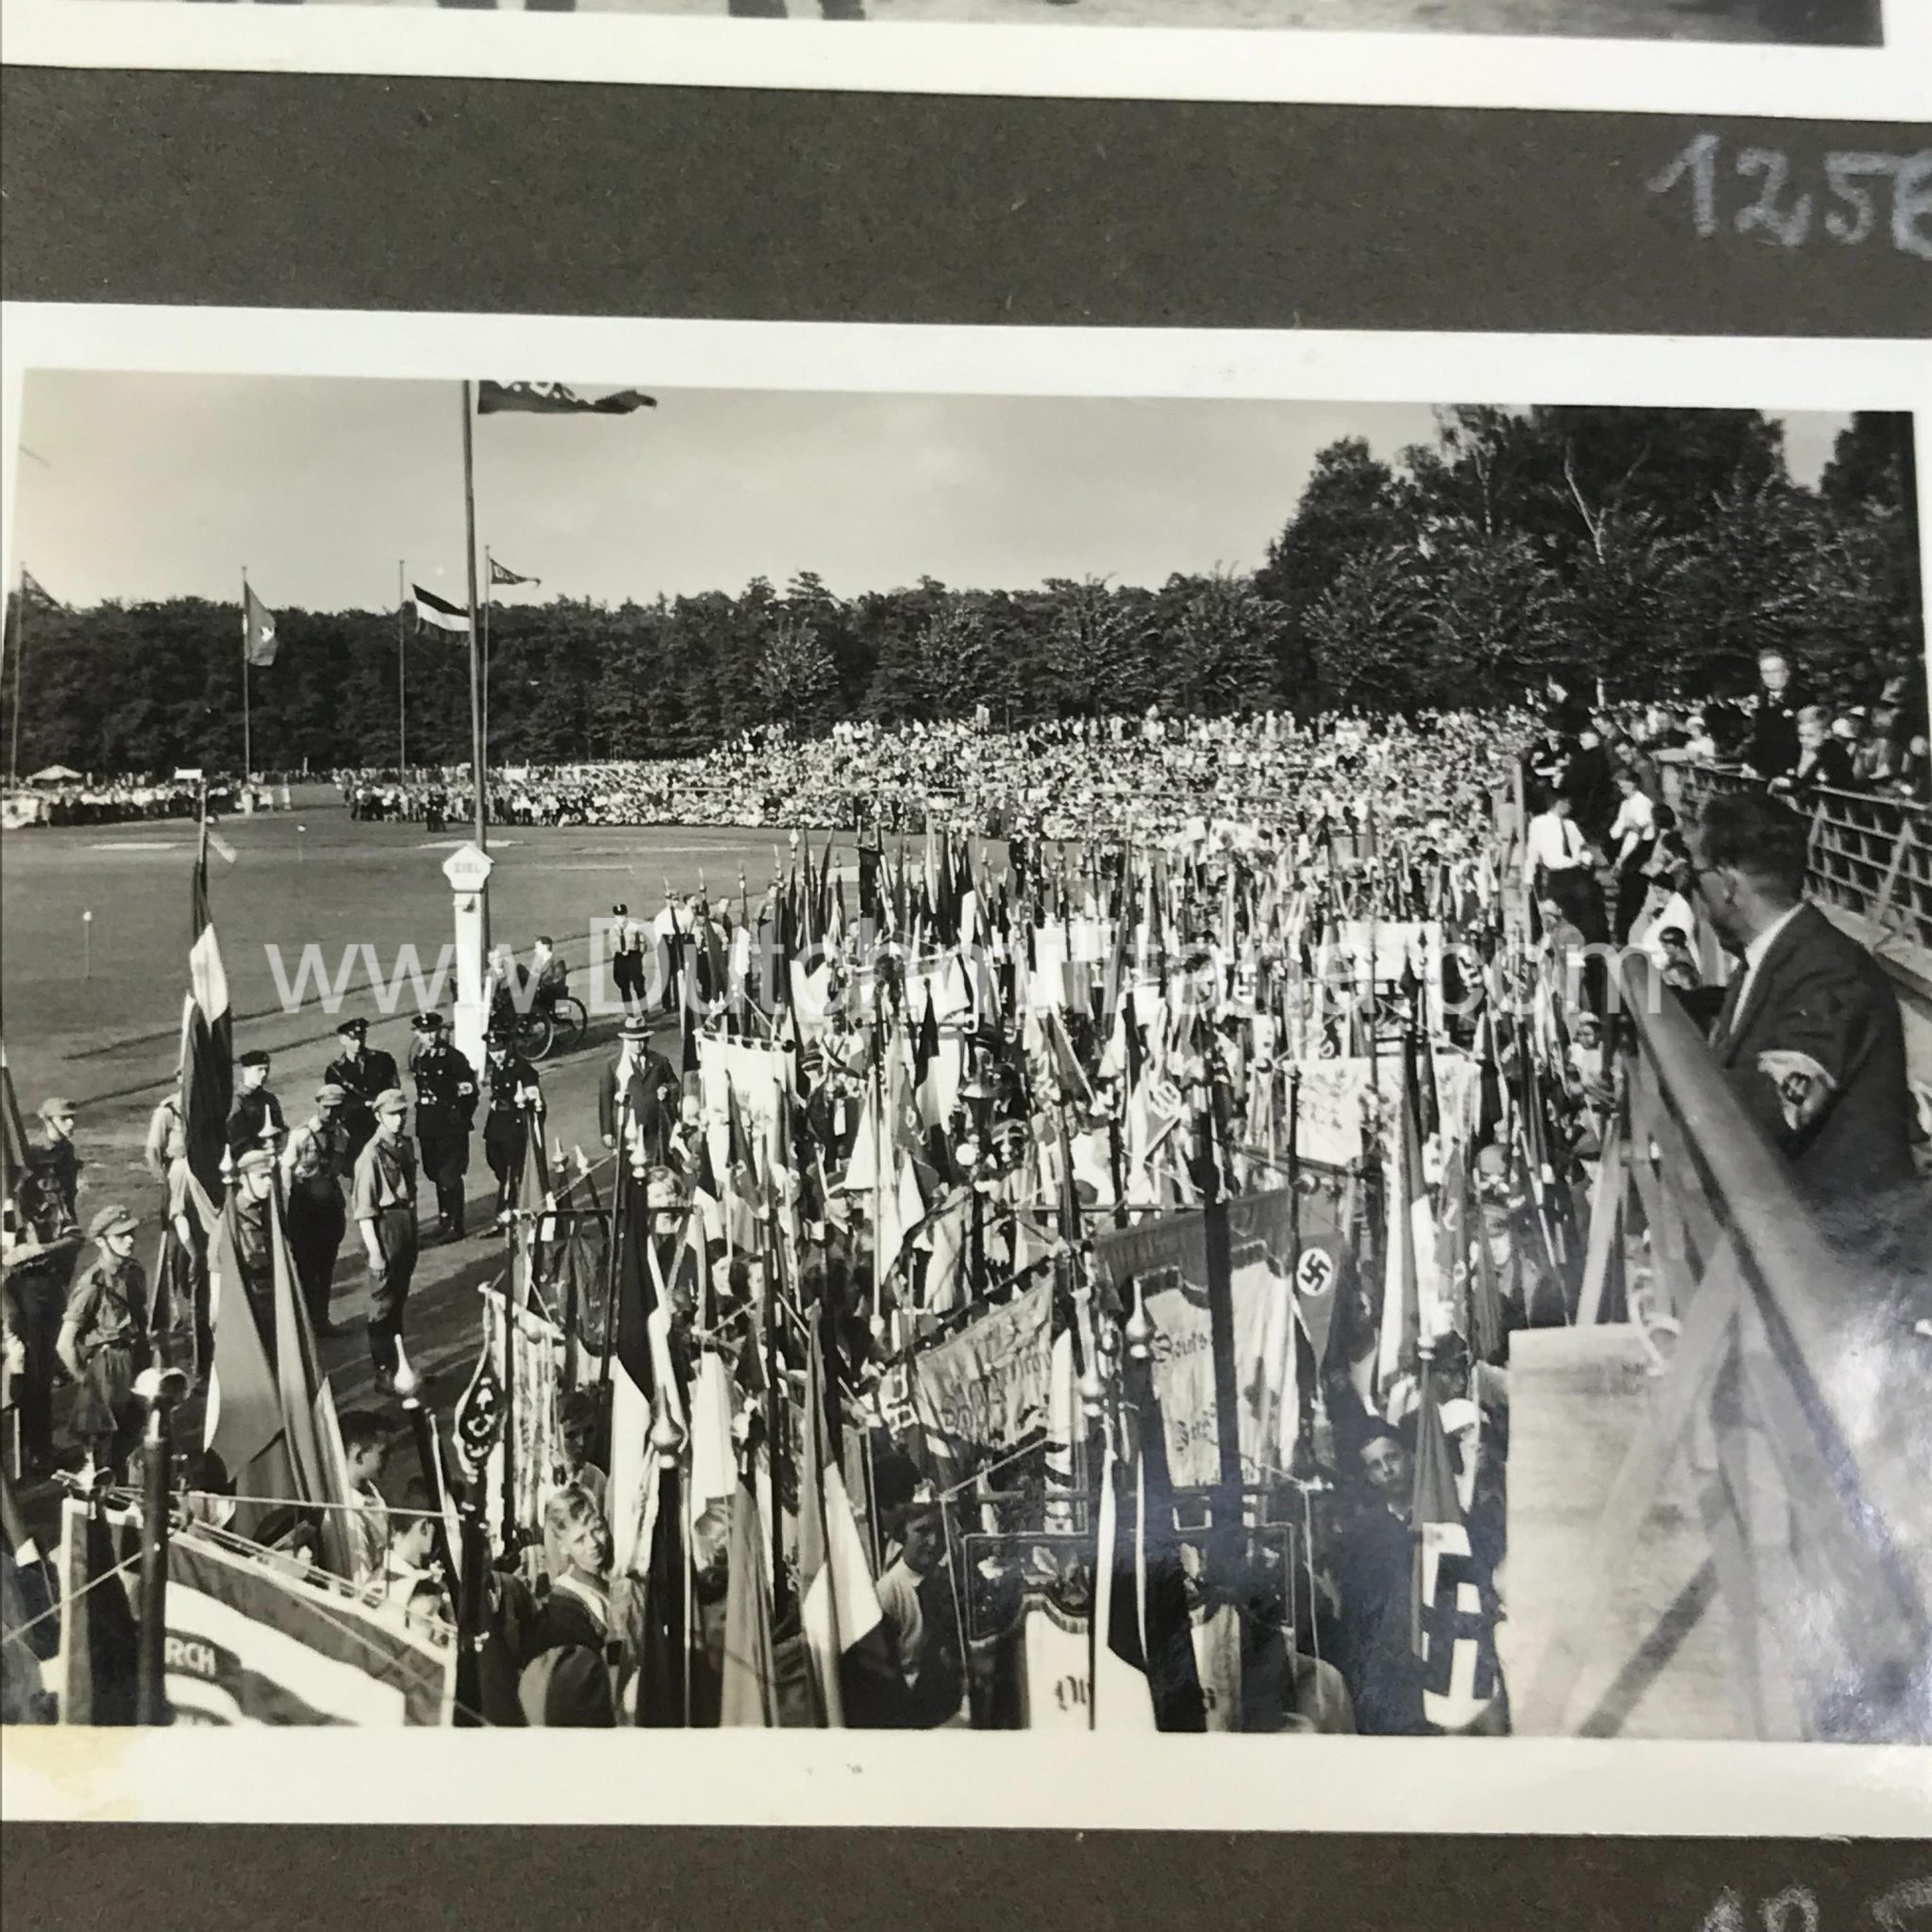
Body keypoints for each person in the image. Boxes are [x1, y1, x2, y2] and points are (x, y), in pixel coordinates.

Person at [1688, 791, 1914, 1219]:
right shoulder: (1777, 957)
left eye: (1694, 877)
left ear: (1728, 884)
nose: (1692, 893)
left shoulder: (1830, 972)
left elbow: (1775, 1107)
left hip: (1841, 1256)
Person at [4, 1141, 84, 1474]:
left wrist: (39, 1250)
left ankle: (42, 1446)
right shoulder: (12, 1208)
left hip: (49, 1288)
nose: (50, 1176)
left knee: (45, 1370)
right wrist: (35, 1253)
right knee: (31, 1374)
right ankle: (33, 1450)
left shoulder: (53, 1200)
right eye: (43, 1171)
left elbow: (75, 1237)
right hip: (23, 1295)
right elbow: (8, 1256)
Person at [57, 1205, 152, 1477]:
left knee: (136, 1439)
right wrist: (87, 1381)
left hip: (135, 1358)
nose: (131, 1240)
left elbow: (141, 1319)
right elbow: (64, 1343)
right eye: (121, 1236)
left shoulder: (134, 1271)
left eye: (131, 1233)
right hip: (107, 1368)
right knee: (104, 1453)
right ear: (101, 1242)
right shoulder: (92, 1284)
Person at [874, 1497, 964, 1728]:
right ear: (903, 1535)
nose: (934, 1542)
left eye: (940, 1533)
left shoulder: (948, 1582)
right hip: (913, 1710)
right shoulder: (889, 1590)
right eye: (922, 1531)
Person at [353, 1088, 420, 1392]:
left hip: (404, 1223)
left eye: (402, 1113)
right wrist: (375, 1253)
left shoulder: (403, 1144)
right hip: (385, 1227)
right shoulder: (371, 1154)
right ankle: (383, 1370)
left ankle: (399, 1365)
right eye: (392, 1114)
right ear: (379, 1116)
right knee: (382, 1305)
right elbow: (364, 1211)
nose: (399, 1119)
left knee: (398, 1300)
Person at [281, 1082, 353, 1336]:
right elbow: (286, 1169)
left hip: (329, 1207)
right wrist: (290, 1203)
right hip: (304, 1206)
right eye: (326, 1108)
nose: (331, 1113)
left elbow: (342, 1168)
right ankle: (303, 1324)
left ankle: (321, 1320)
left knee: (326, 1267)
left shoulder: (342, 1136)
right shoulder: (301, 1135)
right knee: (304, 1268)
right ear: (318, 1105)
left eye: (336, 1108)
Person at [410, 1011, 478, 1241]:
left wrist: (460, 1116)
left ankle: (456, 1225)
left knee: (450, 1174)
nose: (429, 1037)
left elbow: (469, 1090)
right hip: (428, 1123)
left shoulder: (452, 1057)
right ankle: (444, 1218)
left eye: (432, 1032)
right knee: (435, 1173)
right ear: (417, 1034)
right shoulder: (419, 1057)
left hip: (449, 1124)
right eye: (424, 1032)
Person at [482, 1024, 542, 1230]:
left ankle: (505, 1214)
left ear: (508, 1047)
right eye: (492, 1051)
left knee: (510, 1172)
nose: (496, 1055)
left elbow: (535, 1100)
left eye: (499, 1050)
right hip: (497, 1126)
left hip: (513, 1127)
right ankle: (510, 1208)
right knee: (497, 1165)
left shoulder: (521, 1068)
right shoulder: (499, 1069)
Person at [600, 1015, 679, 1169]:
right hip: (629, 1131)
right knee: (631, 1172)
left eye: (642, 1040)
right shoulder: (615, 1066)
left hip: (656, 1128)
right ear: (626, 1041)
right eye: (634, 1041)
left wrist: (667, 1089)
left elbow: (675, 1084)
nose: (639, 1045)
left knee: (657, 1167)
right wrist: (607, 1131)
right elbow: (606, 1099)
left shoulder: (659, 1062)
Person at [325, 1016, 401, 1158]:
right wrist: (363, 1104)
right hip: (355, 1128)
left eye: (361, 1038)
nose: (358, 1043)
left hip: (383, 1124)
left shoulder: (382, 1060)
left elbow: (395, 1090)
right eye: (353, 1039)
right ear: (343, 1040)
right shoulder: (336, 1071)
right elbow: (336, 1104)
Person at [339, 1410, 392, 1584]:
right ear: (359, 1454)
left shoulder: (372, 1495)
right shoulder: (348, 1515)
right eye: (382, 1454)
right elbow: (362, 1583)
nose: (387, 1461)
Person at [1742, 648, 1805, 781]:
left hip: (1792, 772)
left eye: (1775, 671)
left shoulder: (1802, 698)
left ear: (1787, 672)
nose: (1770, 676)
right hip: (1762, 771)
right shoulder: (1759, 700)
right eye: (1765, 672)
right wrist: (1750, 764)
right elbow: (1757, 736)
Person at [226, 1050, 285, 1159]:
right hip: (247, 1157)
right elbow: (235, 1137)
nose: (264, 1074)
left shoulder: (270, 1099)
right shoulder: (236, 1101)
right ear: (245, 1071)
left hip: (272, 1152)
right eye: (259, 1069)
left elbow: (281, 1128)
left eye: (266, 1070)